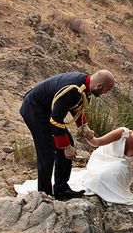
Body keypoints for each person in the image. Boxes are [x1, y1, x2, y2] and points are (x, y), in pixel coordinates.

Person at [19, 70, 115, 200]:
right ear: (99, 86)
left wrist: (84, 127)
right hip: (34, 109)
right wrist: (66, 147)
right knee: (46, 152)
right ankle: (45, 194)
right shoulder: (74, 89)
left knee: (68, 142)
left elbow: (74, 105)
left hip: (47, 109)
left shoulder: (84, 85)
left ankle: (61, 189)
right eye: (106, 91)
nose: (105, 94)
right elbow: (56, 120)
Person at [76, 120, 133, 207]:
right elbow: (97, 142)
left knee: (120, 166)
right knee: (102, 175)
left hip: (119, 170)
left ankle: (110, 191)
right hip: (102, 159)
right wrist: (89, 137)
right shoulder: (122, 132)